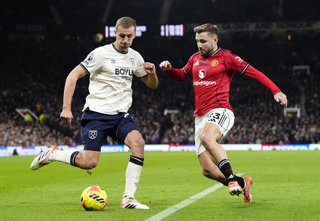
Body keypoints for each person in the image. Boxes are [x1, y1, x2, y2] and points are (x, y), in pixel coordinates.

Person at [30, 16, 158, 209]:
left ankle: (128, 199)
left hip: (120, 115)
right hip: (96, 115)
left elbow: (152, 85)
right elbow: (73, 75)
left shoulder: (135, 57)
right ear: (115, 33)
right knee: (88, 162)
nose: (125, 40)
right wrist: (66, 107)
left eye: (129, 36)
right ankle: (53, 154)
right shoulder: (100, 54)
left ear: (134, 35)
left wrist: (153, 73)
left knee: (138, 143)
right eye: (122, 36)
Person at [159, 23, 287, 203]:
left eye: (203, 41)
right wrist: (169, 70)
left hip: (221, 109)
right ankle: (243, 182)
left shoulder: (227, 57)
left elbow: (254, 72)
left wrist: (276, 91)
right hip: (200, 116)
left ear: (215, 39)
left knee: (207, 137)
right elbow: (181, 76)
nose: (199, 45)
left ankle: (232, 180)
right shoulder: (194, 58)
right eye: (197, 41)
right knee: (208, 171)